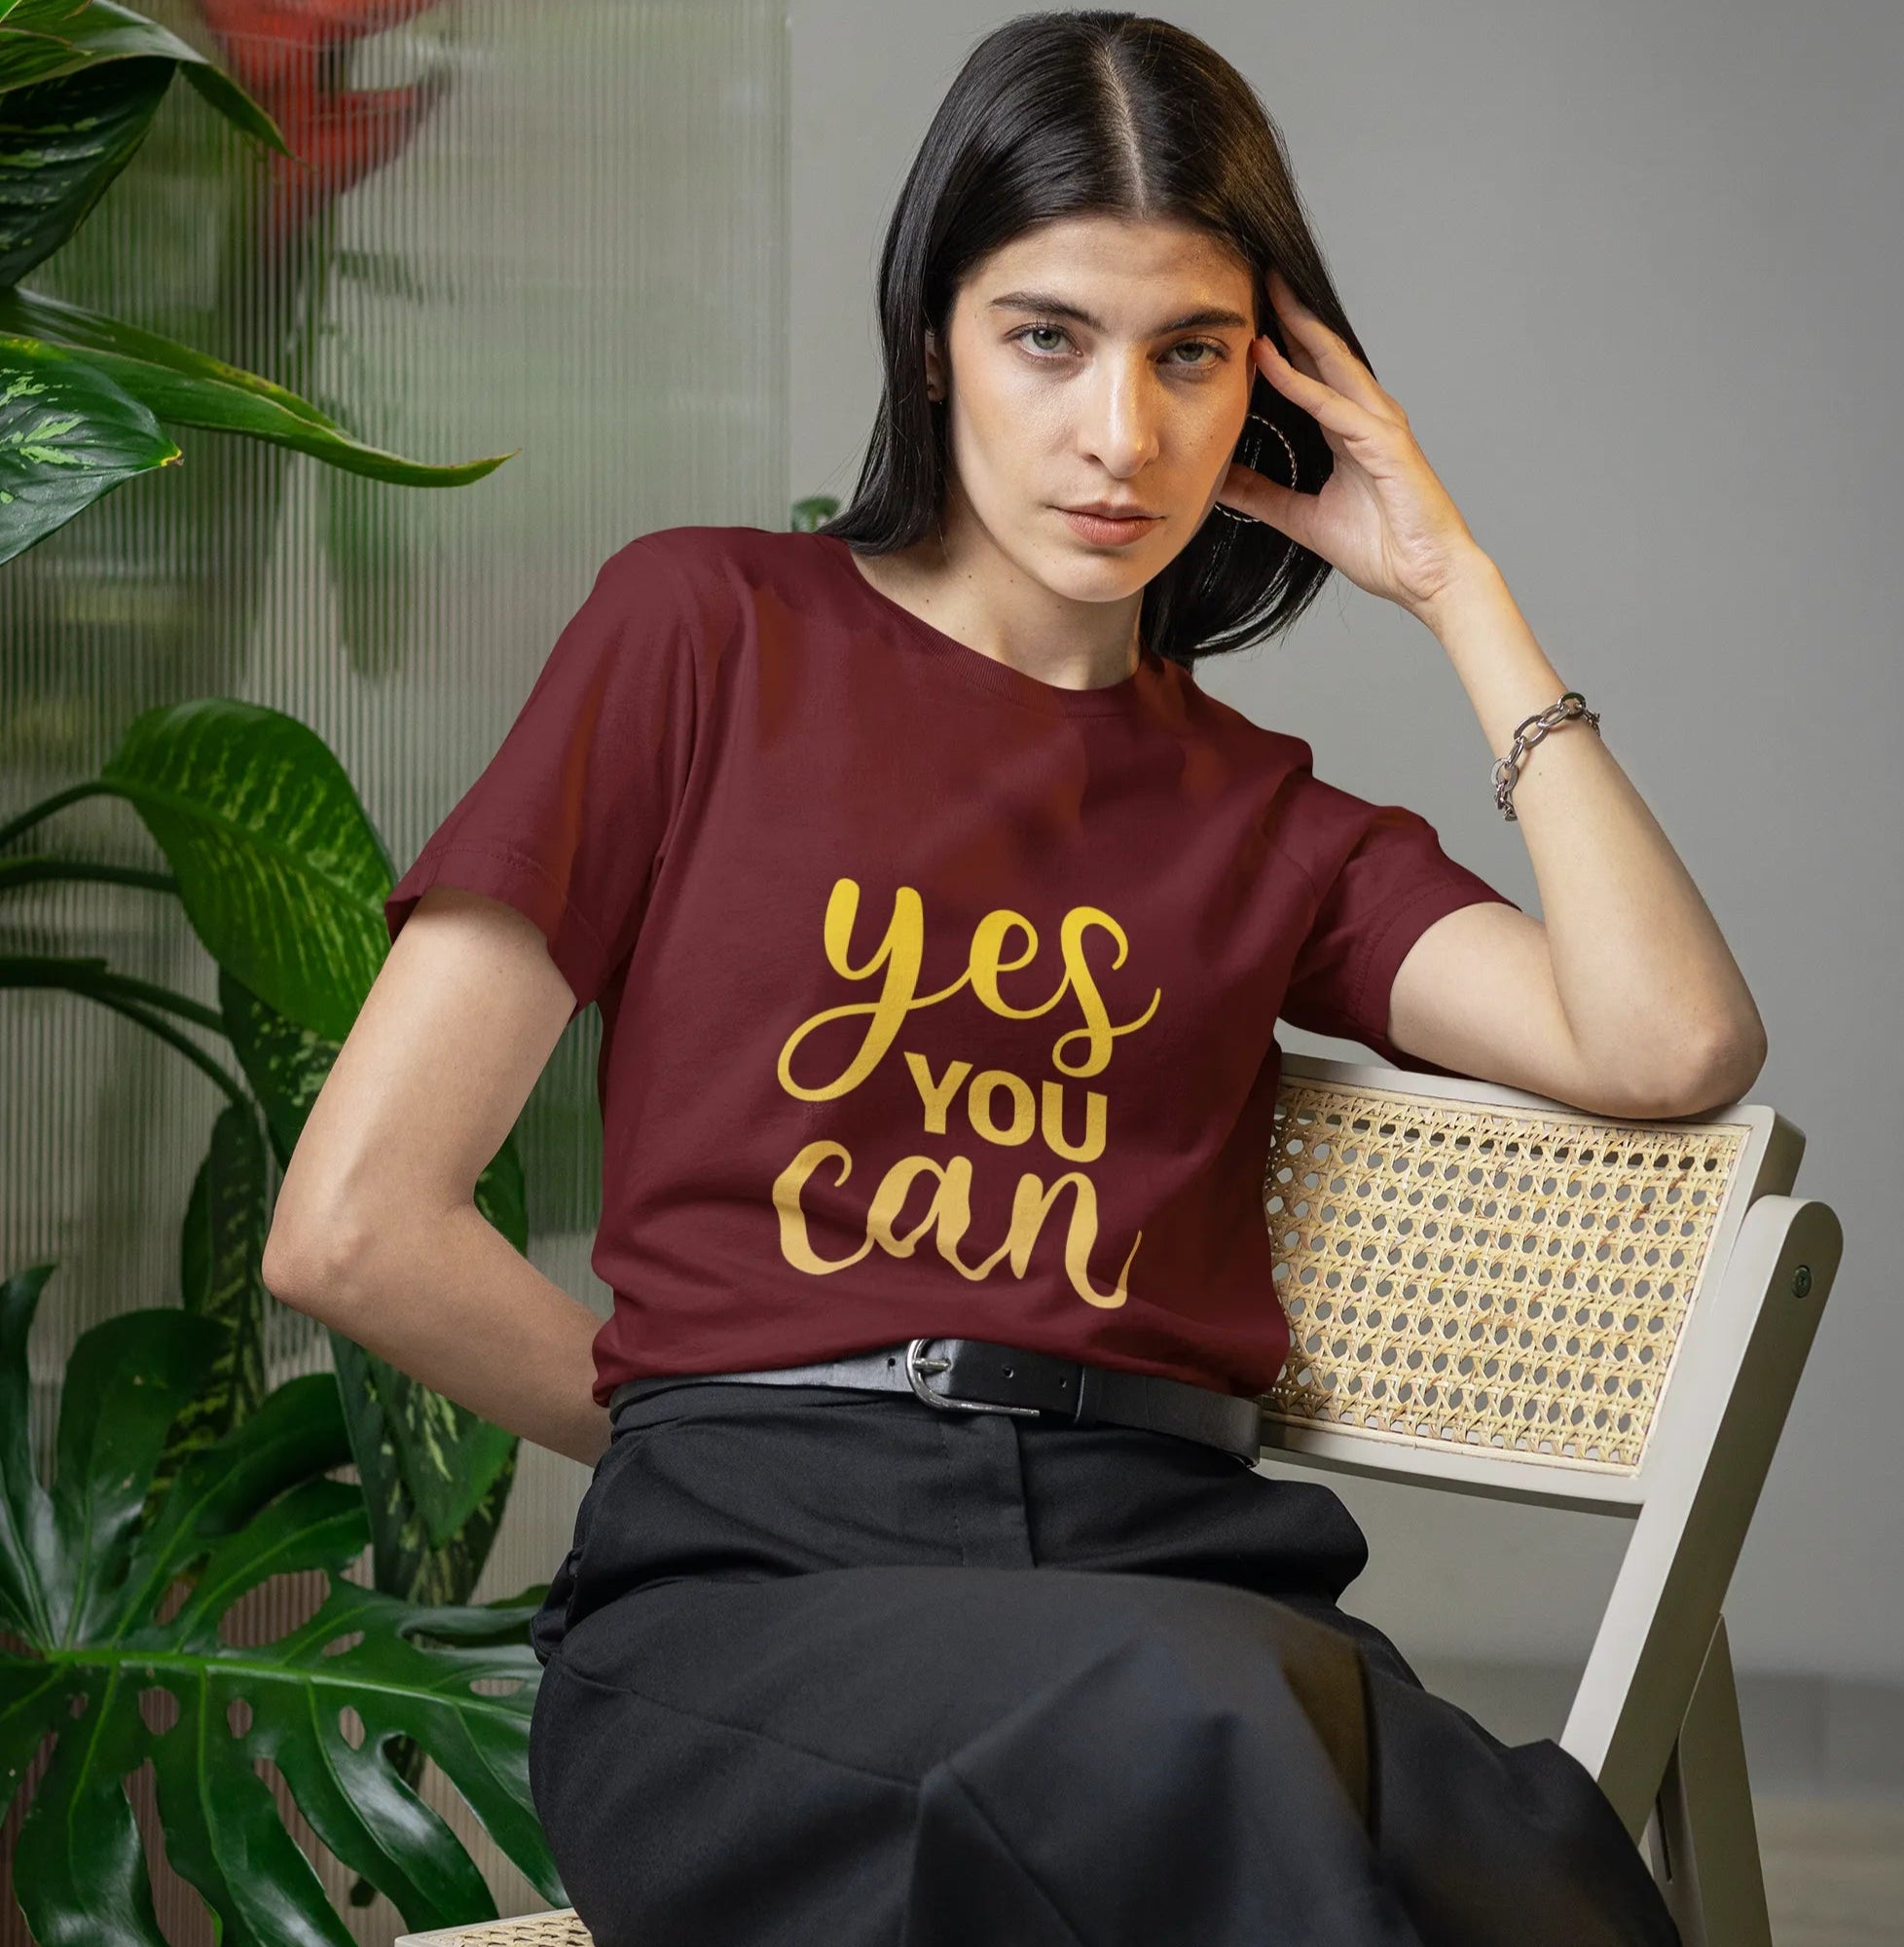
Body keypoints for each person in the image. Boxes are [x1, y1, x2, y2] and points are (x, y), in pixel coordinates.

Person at [265, 12, 1767, 1944]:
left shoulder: (1265, 821)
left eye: (1190, 355)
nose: (1118, 434)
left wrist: (1453, 582)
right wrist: (727, 1424)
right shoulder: (707, 634)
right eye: (1046, 336)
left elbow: (1673, 1039)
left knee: (1512, 1863)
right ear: (931, 342)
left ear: (1268, 391)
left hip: (1187, 1581)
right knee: (1229, 1745)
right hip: (764, 1607)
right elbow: (353, 1225)